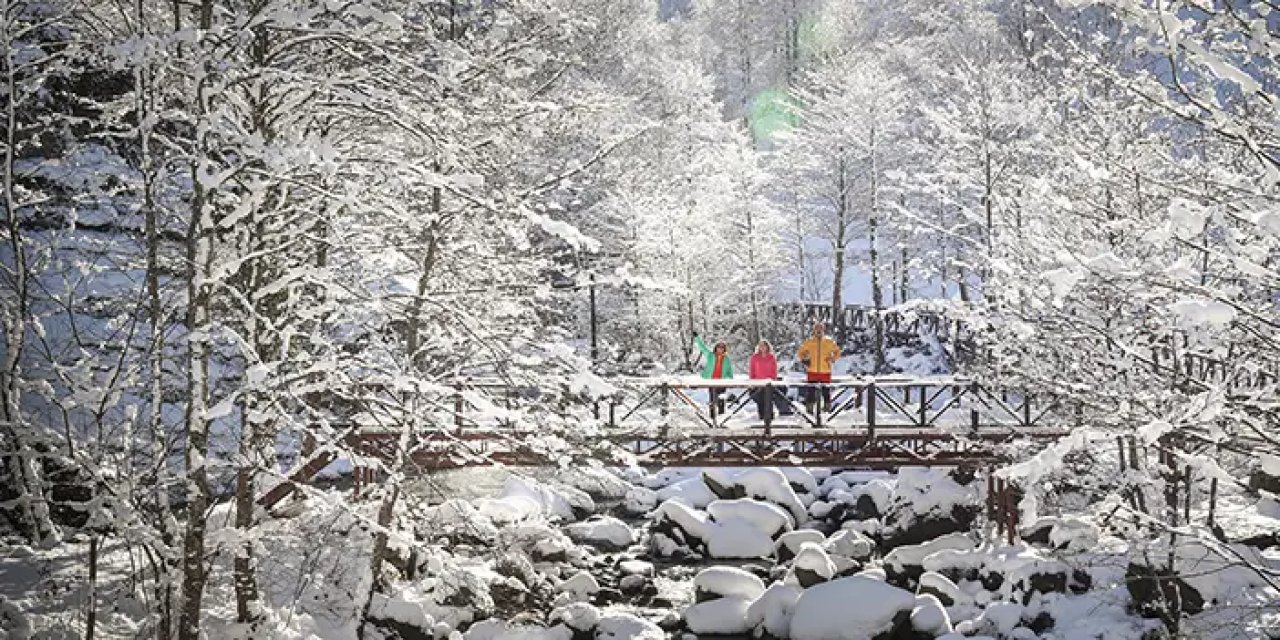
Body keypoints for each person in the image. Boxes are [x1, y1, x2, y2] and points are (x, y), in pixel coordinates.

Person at [796, 322, 841, 414]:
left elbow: (837, 352)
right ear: (814, 330)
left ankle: (827, 412)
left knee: (826, 392)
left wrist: (832, 359)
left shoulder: (829, 341)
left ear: (823, 329)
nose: (819, 330)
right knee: (810, 392)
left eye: (820, 328)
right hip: (812, 370)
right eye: (817, 328)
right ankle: (809, 412)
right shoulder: (809, 341)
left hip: (825, 370)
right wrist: (805, 360)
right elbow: (800, 352)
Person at [693, 333, 733, 418]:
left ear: (724, 349)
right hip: (711, 380)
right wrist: (697, 338)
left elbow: (729, 369)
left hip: (722, 381)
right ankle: (712, 416)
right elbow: (702, 348)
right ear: (716, 348)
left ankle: (722, 417)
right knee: (712, 399)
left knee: (721, 398)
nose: (720, 349)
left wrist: (730, 379)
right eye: (719, 347)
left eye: (722, 347)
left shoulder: (726, 359)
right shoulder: (711, 355)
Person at [748, 340, 781, 426]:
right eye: (760, 346)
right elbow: (752, 370)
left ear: (767, 347)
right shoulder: (755, 357)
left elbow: (774, 370)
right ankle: (761, 416)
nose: (762, 347)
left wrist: (773, 379)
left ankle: (770, 417)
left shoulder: (771, 357)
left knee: (768, 400)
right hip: (758, 382)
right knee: (759, 399)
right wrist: (752, 380)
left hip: (769, 382)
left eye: (764, 345)